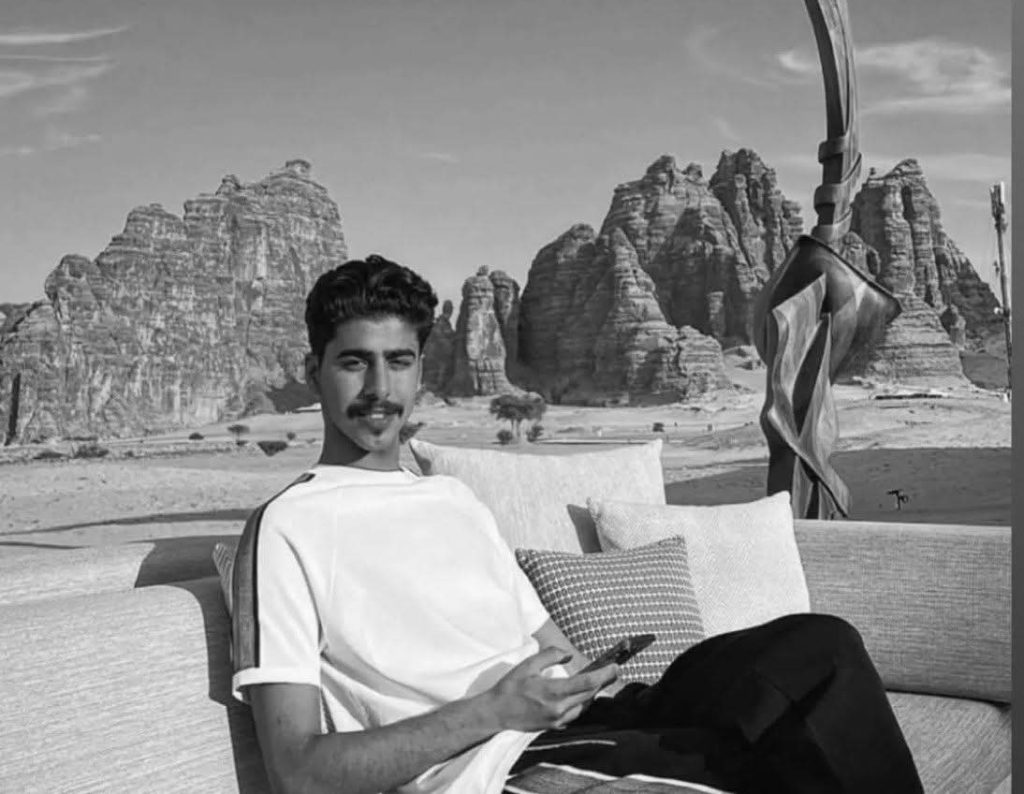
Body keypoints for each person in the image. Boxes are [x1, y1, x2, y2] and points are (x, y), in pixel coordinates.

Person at [229, 254, 923, 794]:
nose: (380, 389)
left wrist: (593, 679)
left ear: (419, 372)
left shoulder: (451, 500)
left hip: (592, 715)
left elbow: (549, 643)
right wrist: (497, 711)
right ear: (314, 369)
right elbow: (298, 772)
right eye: (354, 362)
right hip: (498, 762)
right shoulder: (287, 527)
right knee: (762, 765)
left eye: (398, 362)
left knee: (819, 648)